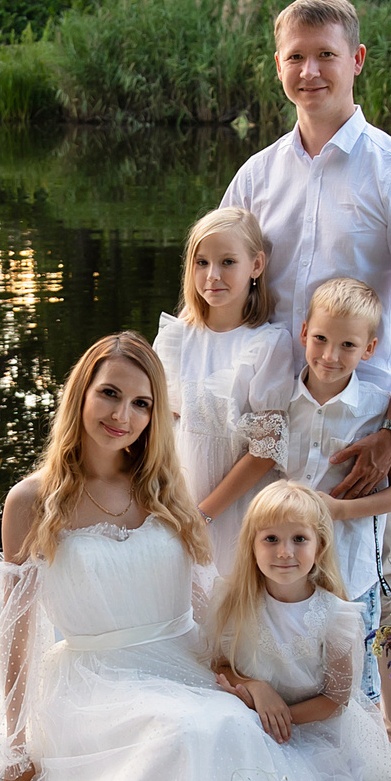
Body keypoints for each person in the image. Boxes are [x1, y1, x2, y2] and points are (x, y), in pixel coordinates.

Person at [0, 332, 303, 781]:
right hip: (94, 682)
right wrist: (14, 750)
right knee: (186, 733)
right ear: (81, 393)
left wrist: (239, 676)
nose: (123, 416)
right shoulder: (32, 501)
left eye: (142, 404)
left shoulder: (164, 486)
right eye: (110, 394)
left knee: (229, 723)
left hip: (180, 662)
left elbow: (201, 603)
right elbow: (16, 631)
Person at [220, 0, 391, 499]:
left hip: (355, 420)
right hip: (263, 416)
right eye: (296, 56)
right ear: (278, 65)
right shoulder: (256, 176)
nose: (310, 71)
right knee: (251, 566)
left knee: (347, 571)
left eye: (326, 54)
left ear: (357, 60)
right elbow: (216, 291)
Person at [208, 482, 391, 781]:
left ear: (319, 546)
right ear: (252, 547)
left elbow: (335, 699)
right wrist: (257, 689)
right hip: (254, 719)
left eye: (299, 539)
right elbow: (221, 664)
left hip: (310, 731)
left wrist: (276, 718)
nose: (285, 552)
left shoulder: (336, 616)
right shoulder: (234, 601)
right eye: (270, 539)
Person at [273, 276, 391, 702]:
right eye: (320, 339)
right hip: (286, 563)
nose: (330, 356)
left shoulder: (378, 410)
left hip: (350, 567)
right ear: (304, 333)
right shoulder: (280, 399)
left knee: (353, 678)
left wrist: (337, 512)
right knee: (296, 661)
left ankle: (364, 743)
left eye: (348, 346)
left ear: (369, 349)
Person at [153, 206, 296, 573]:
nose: (212, 276)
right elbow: (156, 428)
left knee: (228, 602)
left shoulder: (268, 344)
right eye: (201, 262)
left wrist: (204, 515)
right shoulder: (176, 337)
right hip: (176, 502)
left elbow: (265, 449)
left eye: (227, 262)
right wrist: (166, 503)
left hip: (235, 508)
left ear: (256, 266)